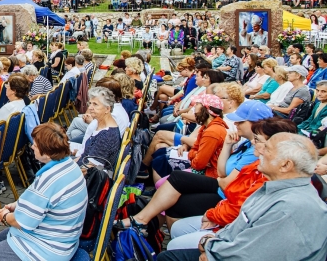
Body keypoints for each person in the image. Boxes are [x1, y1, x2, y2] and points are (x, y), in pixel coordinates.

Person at [156, 134, 327, 261]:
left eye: (267, 150)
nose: (259, 152)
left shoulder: (289, 208)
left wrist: (210, 247)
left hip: (230, 252)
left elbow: (246, 253)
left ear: (285, 165)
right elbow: (241, 225)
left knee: (168, 258)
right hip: (224, 243)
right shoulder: (274, 187)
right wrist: (212, 241)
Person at [116, 101, 274, 234]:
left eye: (241, 121)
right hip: (220, 183)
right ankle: (145, 224)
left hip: (226, 195)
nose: (236, 124)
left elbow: (205, 167)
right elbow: (221, 171)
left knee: (172, 175)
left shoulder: (253, 149)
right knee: (169, 172)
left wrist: (193, 154)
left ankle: (144, 222)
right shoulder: (244, 142)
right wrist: (226, 145)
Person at [167, 117, 298, 251]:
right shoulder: (256, 164)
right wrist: (227, 145)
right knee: (177, 223)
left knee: (174, 245)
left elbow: (239, 206)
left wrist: (212, 216)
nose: (252, 141)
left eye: (257, 139)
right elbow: (231, 190)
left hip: (237, 233)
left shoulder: (269, 176)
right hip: (227, 215)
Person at [0, 123, 87, 261]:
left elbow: (20, 221)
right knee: (1, 237)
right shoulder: (70, 165)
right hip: (64, 240)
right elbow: (45, 202)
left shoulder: (49, 180)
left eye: (35, 144)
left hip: (45, 250)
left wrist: (5, 215)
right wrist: (18, 205)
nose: (32, 146)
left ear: (46, 152)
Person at [150, 94, 228, 182]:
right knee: (160, 155)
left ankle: (160, 191)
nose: (194, 106)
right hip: (202, 165)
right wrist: (194, 154)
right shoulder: (207, 126)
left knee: (160, 162)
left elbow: (198, 164)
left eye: (198, 104)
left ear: (205, 109)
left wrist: (194, 154)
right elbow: (196, 147)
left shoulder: (212, 131)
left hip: (209, 174)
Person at [75, 87, 121, 171]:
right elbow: (84, 156)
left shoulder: (106, 136)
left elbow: (88, 169)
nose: (90, 108)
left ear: (107, 109)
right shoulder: (101, 127)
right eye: (90, 103)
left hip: (86, 178)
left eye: (95, 104)